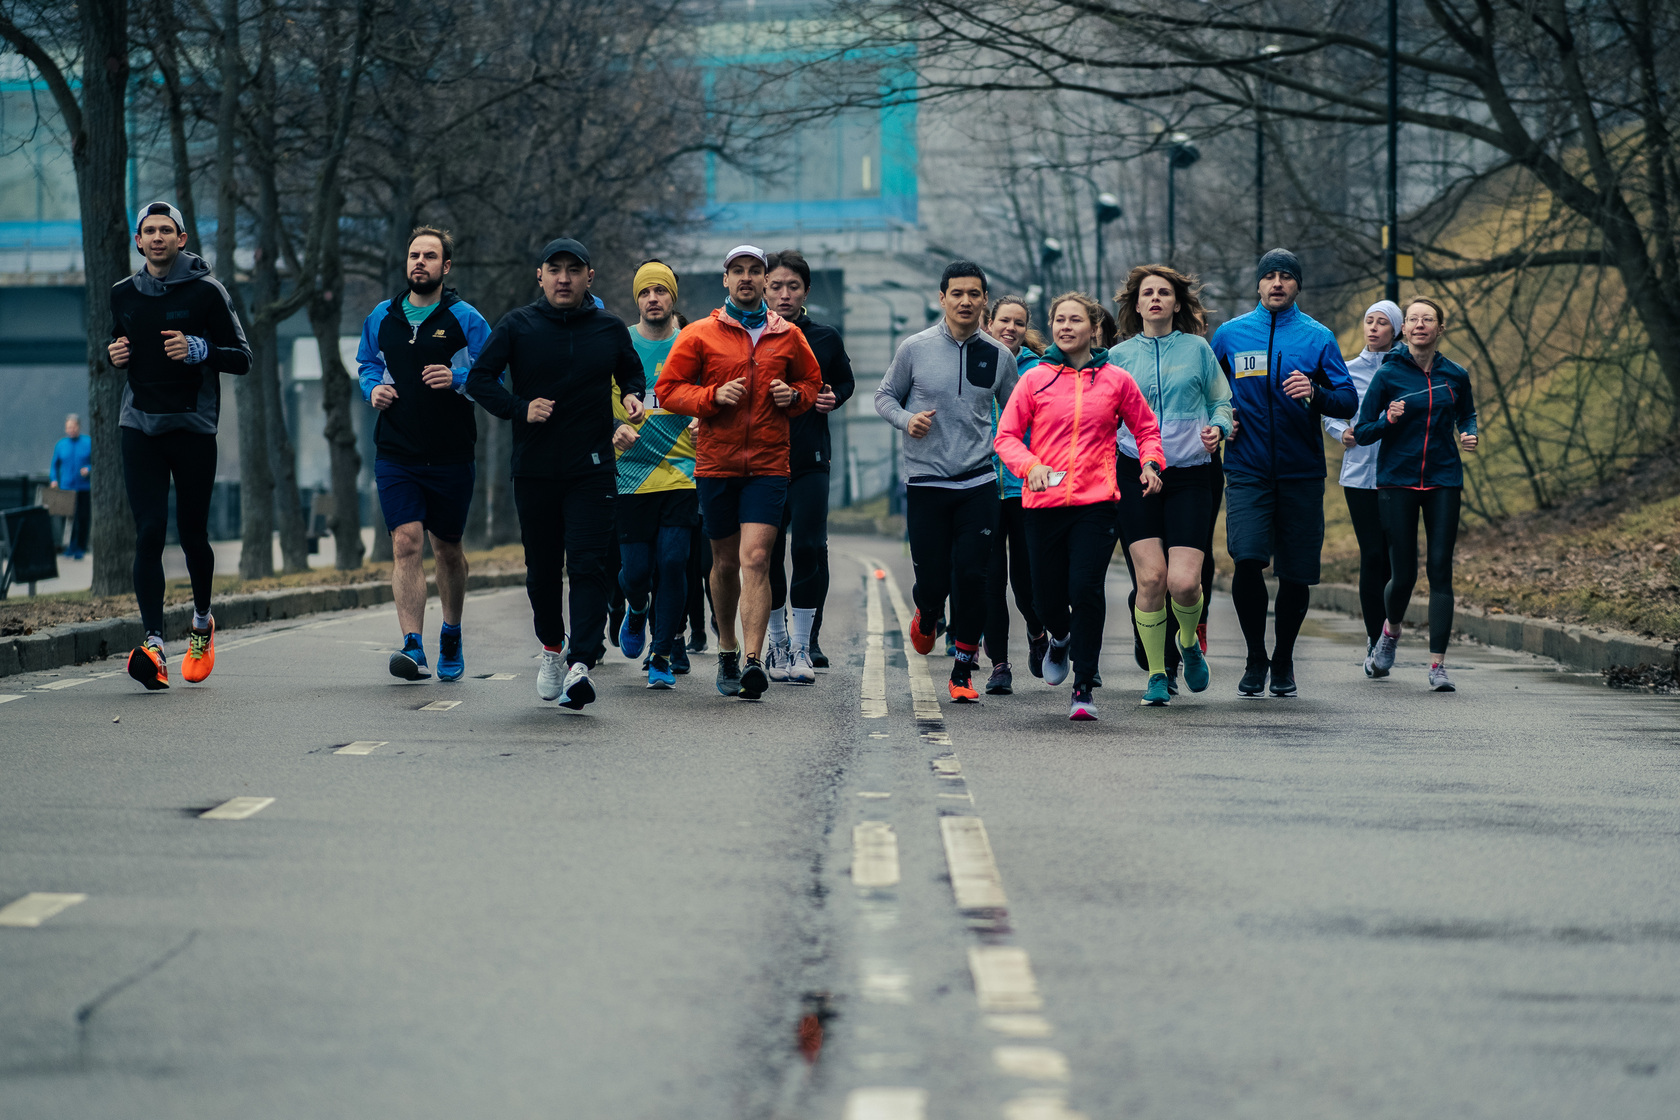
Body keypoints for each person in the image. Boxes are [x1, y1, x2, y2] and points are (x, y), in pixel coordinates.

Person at [466, 238, 645, 711]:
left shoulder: (608, 328)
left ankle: (581, 663)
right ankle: (551, 648)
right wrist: (520, 408)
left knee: (588, 566)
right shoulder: (518, 326)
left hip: (591, 469)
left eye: (573, 270)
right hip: (536, 470)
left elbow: (632, 372)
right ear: (540, 277)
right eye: (555, 269)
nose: (563, 278)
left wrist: (631, 396)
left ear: (590, 278)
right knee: (544, 570)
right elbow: (480, 379)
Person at [655, 245, 823, 700]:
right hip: (717, 463)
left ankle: (753, 659)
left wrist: (795, 396)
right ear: (725, 280)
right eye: (738, 271)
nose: (746, 278)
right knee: (725, 563)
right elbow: (667, 390)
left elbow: (812, 383)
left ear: (764, 281)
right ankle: (727, 649)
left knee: (756, 559)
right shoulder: (700, 335)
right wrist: (710, 398)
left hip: (769, 464)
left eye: (754, 271)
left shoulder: (787, 335)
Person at [995, 291, 1164, 721]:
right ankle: (1060, 637)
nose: (1066, 327)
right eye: (1059, 320)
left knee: (1085, 590)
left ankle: (1084, 685)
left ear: (1093, 328)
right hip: (1043, 501)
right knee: (1045, 597)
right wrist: (1028, 464)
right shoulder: (1034, 380)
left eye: (1075, 320)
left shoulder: (1116, 380)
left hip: (1096, 502)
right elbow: (1006, 437)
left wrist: (1150, 463)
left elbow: (1146, 428)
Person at [107, 201, 251, 691]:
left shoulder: (208, 292)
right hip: (139, 426)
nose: (158, 237)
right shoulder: (121, 294)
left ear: (182, 239)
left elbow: (242, 357)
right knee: (149, 531)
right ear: (138, 242)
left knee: (192, 534)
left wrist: (199, 349)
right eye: (149, 231)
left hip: (192, 427)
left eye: (167, 230)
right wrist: (116, 353)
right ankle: (152, 642)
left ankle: (202, 623)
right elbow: (119, 343)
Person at [1209, 248, 1357, 697]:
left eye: (1286, 277)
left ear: (1297, 286)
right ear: (1258, 284)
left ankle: (1284, 658)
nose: (1277, 283)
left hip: (1301, 471)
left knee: (1295, 572)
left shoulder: (1318, 337)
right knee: (1247, 559)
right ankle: (1256, 656)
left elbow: (1347, 400)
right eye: (1269, 276)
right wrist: (1221, 415)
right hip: (1247, 467)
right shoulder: (1231, 335)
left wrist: (1314, 391)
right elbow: (1206, 390)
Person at [874, 261, 1020, 702]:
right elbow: (883, 397)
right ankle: (928, 612)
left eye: (974, 294)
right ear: (942, 298)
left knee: (973, 576)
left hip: (977, 482)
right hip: (926, 482)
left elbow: (1015, 413)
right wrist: (906, 419)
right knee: (935, 579)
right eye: (957, 293)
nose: (965, 301)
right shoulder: (914, 348)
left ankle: (962, 670)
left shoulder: (1000, 356)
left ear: (984, 301)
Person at [357, 226, 491, 683]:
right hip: (396, 450)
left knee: (447, 549)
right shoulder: (382, 315)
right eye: (414, 255)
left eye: (430, 256)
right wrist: (372, 387)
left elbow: (492, 375)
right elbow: (367, 362)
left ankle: (450, 632)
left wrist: (458, 379)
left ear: (445, 267)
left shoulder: (465, 318)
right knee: (406, 542)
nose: (420, 262)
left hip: (452, 454)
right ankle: (413, 645)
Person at [1111, 265, 1232, 706]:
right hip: (1135, 470)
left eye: (1165, 293)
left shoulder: (1198, 349)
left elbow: (1222, 401)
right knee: (1152, 579)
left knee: (1183, 583)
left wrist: (1218, 427)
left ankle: (1187, 641)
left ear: (1177, 303)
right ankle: (1158, 675)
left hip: (1191, 472)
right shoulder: (1119, 357)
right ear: (1137, 304)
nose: (1156, 299)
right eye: (1148, 293)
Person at [1355, 296, 1478, 692]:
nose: (1420, 325)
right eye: (1413, 319)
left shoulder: (1455, 374)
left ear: (1440, 329)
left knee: (1441, 569)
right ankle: (1389, 634)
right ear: (1404, 330)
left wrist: (1467, 431)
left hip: (1443, 479)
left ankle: (1438, 665)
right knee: (1403, 573)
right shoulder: (1389, 375)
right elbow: (1362, 431)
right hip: (1397, 480)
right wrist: (1387, 419)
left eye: (1429, 319)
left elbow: (1467, 412)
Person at [762, 248, 855, 683]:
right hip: (762, 461)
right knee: (769, 553)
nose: (784, 294)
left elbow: (845, 380)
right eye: (776, 285)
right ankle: (777, 641)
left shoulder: (825, 337)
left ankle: (806, 641)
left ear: (806, 291)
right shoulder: (753, 335)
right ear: (764, 287)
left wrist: (834, 395)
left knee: (809, 548)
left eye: (793, 286)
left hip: (810, 456)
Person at [611, 260, 699, 689]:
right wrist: (613, 428)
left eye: (660, 291)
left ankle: (661, 653)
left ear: (672, 298)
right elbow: (593, 398)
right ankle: (637, 608)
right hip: (630, 473)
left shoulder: (694, 342)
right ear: (637, 299)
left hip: (683, 470)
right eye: (646, 292)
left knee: (673, 561)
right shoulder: (619, 342)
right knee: (637, 572)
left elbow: (711, 393)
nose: (653, 299)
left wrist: (708, 420)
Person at [1324, 300, 1404, 677]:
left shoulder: (1405, 371)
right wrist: (1343, 433)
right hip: (1358, 476)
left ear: (1397, 331)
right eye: (1369, 321)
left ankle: (1391, 633)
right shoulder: (1348, 370)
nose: (1373, 328)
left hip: (1399, 476)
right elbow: (1329, 409)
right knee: (1372, 557)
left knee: (1395, 561)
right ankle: (1375, 640)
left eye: (1382, 323)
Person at [980, 296, 1048, 695]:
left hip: (1026, 485)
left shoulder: (1038, 370)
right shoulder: (976, 360)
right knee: (991, 580)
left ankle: (1038, 633)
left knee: (1026, 581)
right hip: (983, 485)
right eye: (1004, 320)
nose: (1010, 328)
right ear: (989, 323)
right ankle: (1000, 664)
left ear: (1026, 328)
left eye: (1018, 323)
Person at [48, 413, 92, 559]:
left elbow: (97, 461)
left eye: (73, 427)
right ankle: (70, 546)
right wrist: (54, 480)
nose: (71, 430)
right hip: (66, 488)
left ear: (79, 427)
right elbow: (54, 465)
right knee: (68, 519)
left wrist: (89, 469)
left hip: (84, 488)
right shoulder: (61, 445)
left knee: (83, 518)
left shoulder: (88, 442)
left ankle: (81, 547)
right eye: (68, 427)